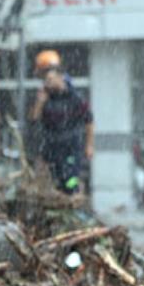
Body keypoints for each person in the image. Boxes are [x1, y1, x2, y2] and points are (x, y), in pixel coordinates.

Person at [29, 50, 94, 194]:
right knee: (56, 181)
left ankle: (73, 197)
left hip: (72, 146)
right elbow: (33, 121)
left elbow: (89, 120)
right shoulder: (44, 98)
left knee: (71, 180)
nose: (47, 81)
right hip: (52, 146)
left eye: (49, 77)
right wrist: (39, 103)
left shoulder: (74, 97)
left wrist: (89, 146)